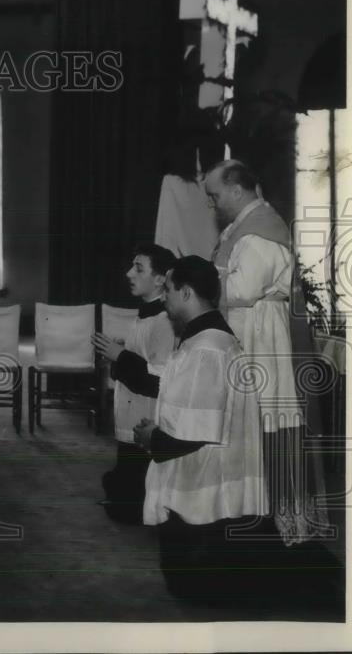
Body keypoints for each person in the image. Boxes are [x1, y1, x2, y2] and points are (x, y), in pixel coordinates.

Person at [204, 159, 327, 545]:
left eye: (215, 194)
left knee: (266, 421)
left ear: (236, 190)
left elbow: (242, 290)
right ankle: (248, 509)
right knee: (247, 423)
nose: (212, 203)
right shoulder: (243, 227)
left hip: (261, 337)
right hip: (248, 332)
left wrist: (201, 282)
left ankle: (272, 522)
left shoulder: (260, 231)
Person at [132, 256, 267, 601]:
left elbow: (192, 434)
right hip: (208, 480)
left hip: (205, 494)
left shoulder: (208, 348)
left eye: (170, 291)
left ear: (187, 293)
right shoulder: (207, 340)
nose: (164, 298)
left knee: (192, 587)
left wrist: (152, 437)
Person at [92, 243, 176, 524]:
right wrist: (118, 357)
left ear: (160, 279)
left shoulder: (164, 321)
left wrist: (120, 357)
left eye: (138, 268)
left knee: (129, 497)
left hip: (146, 419)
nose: (129, 273)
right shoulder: (147, 315)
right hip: (133, 414)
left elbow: (159, 381)